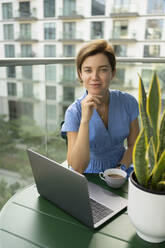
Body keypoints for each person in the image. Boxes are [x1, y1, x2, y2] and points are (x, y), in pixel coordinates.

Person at [61, 39, 139, 174]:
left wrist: (121, 168)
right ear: (80, 74)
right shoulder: (73, 112)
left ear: (113, 73)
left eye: (103, 70)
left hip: (121, 171)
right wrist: (85, 120)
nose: (95, 77)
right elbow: (78, 167)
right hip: (87, 177)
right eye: (88, 70)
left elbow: (135, 145)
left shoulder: (128, 102)